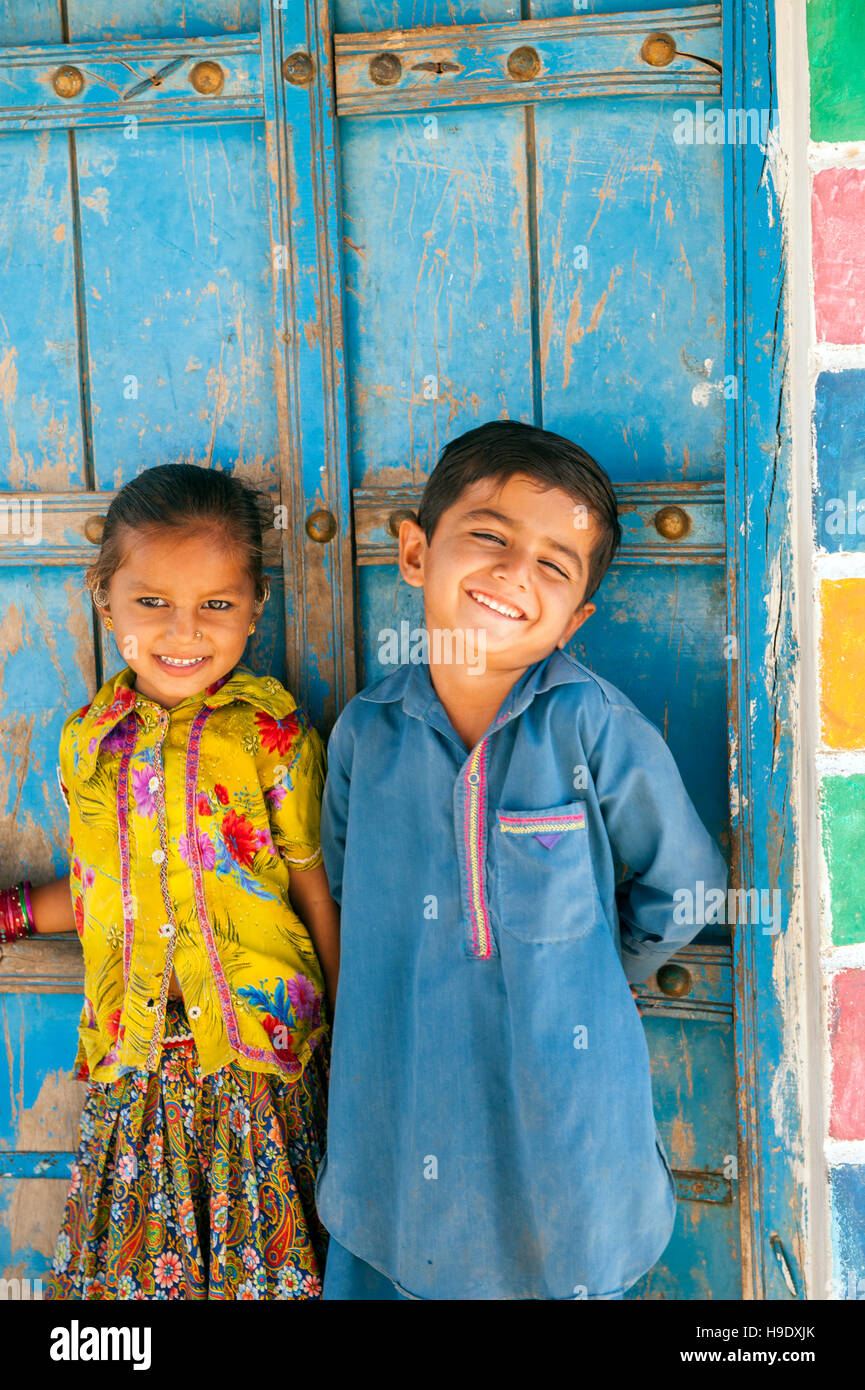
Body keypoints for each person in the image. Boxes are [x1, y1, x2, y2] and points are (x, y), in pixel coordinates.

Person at [316, 419, 729, 1301]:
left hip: (562, 1126)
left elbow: (686, 883)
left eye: (553, 564)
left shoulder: (589, 725)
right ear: (416, 552)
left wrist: (594, 969)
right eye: (491, 538)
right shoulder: (367, 734)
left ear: (575, 617)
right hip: (398, 1106)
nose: (514, 574)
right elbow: (346, 886)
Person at [0, 464, 340, 1300]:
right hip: (139, 1070)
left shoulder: (272, 736)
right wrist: (11, 914)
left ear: (256, 607)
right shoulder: (89, 741)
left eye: (216, 604)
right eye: (151, 601)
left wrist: (350, 1035)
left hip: (259, 1066)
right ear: (103, 598)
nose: (183, 629)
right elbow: (99, 888)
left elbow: (313, 893)